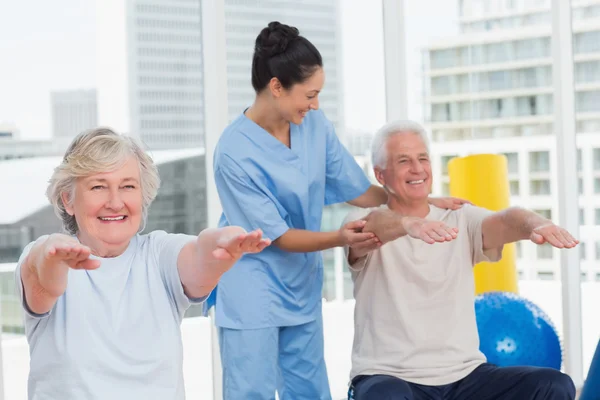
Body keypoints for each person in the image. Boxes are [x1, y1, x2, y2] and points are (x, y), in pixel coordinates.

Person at [210, 21, 469, 400]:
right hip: (252, 284)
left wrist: (418, 200)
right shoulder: (233, 152)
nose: (315, 105)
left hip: (300, 282)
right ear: (277, 86)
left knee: (310, 391)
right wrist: (339, 238)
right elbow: (277, 236)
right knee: (253, 392)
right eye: (309, 95)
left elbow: (359, 189)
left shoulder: (314, 125)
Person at [15, 128, 270, 400]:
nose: (115, 202)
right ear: (68, 199)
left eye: (128, 186)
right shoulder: (45, 253)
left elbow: (198, 255)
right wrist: (53, 255)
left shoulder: (158, 254)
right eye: (98, 186)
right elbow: (44, 277)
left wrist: (220, 243)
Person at [343, 120, 578, 400]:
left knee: (554, 384)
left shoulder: (460, 218)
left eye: (423, 158)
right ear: (381, 175)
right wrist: (410, 224)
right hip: (389, 376)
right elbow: (376, 225)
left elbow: (506, 218)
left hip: (465, 376)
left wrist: (535, 224)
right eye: (404, 161)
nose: (417, 168)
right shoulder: (358, 221)